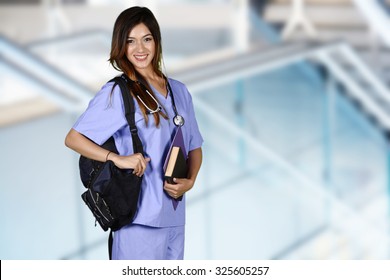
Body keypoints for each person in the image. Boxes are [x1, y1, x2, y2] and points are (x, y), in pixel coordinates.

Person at [64, 6, 203, 260]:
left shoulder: (180, 91)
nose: (140, 49)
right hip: (138, 221)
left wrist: (190, 180)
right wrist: (117, 158)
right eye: (131, 41)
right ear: (121, 46)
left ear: (156, 42)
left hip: (174, 219)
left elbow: (194, 146)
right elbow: (74, 138)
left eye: (146, 39)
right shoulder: (118, 93)